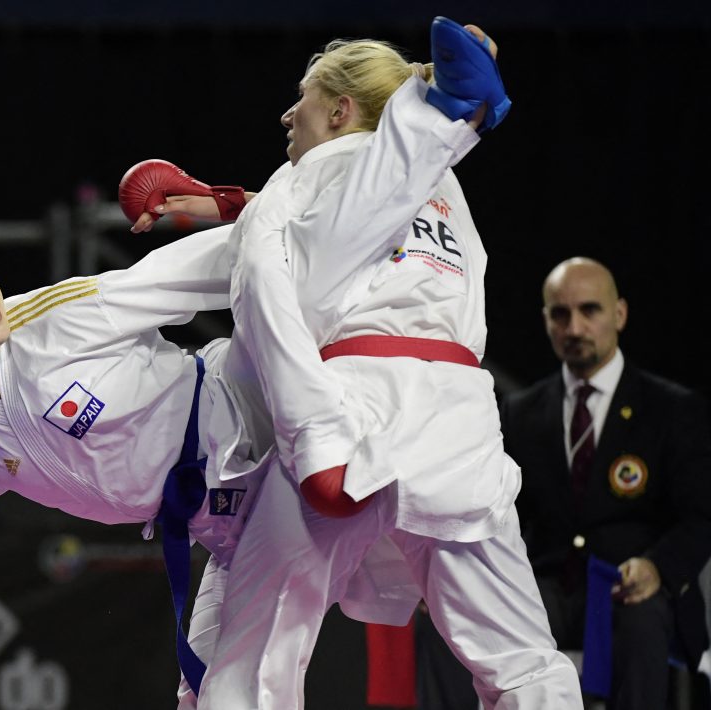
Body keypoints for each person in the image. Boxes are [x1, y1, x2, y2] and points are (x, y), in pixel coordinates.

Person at [0, 34, 497, 705]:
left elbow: (179, 276)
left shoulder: (52, 319)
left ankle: (441, 114)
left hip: (255, 413)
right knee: (218, 693)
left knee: (392, 591)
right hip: (217, 514)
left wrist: (237, 215)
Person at [147, 19, 584, 709]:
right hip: (459, 426)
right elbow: (355, 208)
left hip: (352, 409)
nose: (288, 114)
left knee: (253, 661)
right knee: (525, 662)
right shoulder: (437, 179)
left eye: (305, 97)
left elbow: (285, 246)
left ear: (344, 110)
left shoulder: (314, 173)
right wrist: (453, 97)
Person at [499, 257, 711, 708]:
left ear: (620, 314)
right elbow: (506, 515)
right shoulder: (518, 413)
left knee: (639, 619)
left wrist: (657, 568)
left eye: (589, 310)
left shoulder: (672, 410)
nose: (573, 327)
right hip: (548, 591)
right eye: (560, 314)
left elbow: (701, 517)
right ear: (545, 320)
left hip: (637, 594)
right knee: (468, 618)